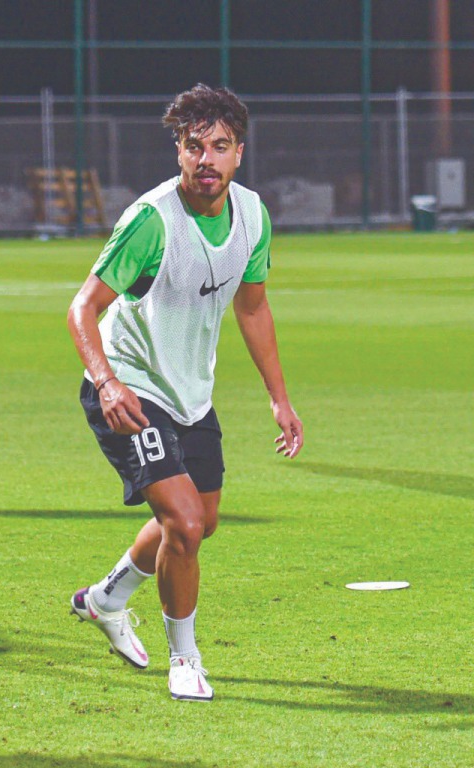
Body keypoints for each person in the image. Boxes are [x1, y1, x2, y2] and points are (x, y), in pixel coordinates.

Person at [66, 85, 303, 702]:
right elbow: (82, 308)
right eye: (194, 146)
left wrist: (279, 399)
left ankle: (105, 598)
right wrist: (106, 382)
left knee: (202, 523)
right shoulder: (152, 221)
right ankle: (186, 659)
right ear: (178, 151)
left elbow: (253, 308)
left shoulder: (252, 216)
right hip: (131, 387)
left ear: (239, 153)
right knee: (185, 522)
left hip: (191, 391)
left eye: (220, 147)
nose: (206, 159)